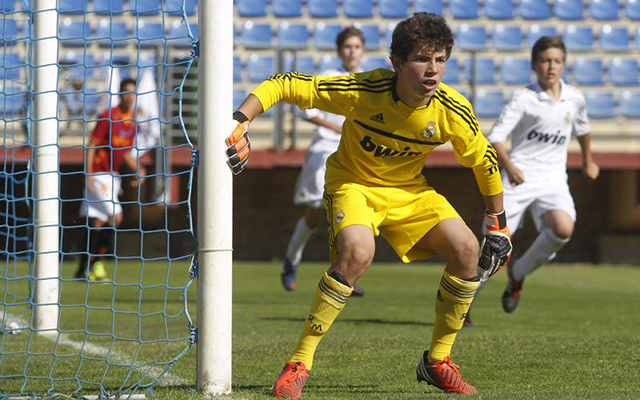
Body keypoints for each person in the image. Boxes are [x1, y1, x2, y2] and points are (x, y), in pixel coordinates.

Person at [226, 13, 513, 397]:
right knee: (359, 253)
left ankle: (437, 361)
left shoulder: (452, 110)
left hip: (409, 190)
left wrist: (498, 221)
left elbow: (485, 162)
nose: (433, 70)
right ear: (396, 62)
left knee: (467, 249)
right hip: (353, 184)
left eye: (440, 59)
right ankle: (299, 361)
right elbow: (285, 84)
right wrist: (240, 121)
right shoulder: (364, 89)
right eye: (422, 59)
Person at [473, 36, 599, 316]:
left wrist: (589, 160)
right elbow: (495, 138)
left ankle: (518, 273)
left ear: (563, 64)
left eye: (556, 61)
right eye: (544, 61)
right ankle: (464, 304)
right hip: (518, 177)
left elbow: (583, 129)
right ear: (534, 65)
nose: (550, 67)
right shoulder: (524, 99)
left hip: (553, 179)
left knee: (563, 228)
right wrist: (510, 166)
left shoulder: (574, 98)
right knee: (494, 244)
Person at [281, 27, 366, 296]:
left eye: (356, 46)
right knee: (316, 214)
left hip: (354, 154)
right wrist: (336, 127)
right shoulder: (329, 77)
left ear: (363, 51)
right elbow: (305, 110)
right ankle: (291, 261)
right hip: (326, 151)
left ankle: (343, 275)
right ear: (340, 51)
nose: (352, 51)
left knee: (346, 214)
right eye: (347, 46)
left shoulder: (368, 81)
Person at [76, 78, 146, 281]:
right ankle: (97, 264)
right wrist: (87, 173)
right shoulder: (108, 117)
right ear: (120, 94)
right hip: (98, 175)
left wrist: (138, 169)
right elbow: (91, 144)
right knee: (116, 217)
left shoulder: (132, 122)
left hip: (113, 176)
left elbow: (123, 153)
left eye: (133, 93)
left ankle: (83, 269)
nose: (130, 96)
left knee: (97, 222)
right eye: (126, 92)